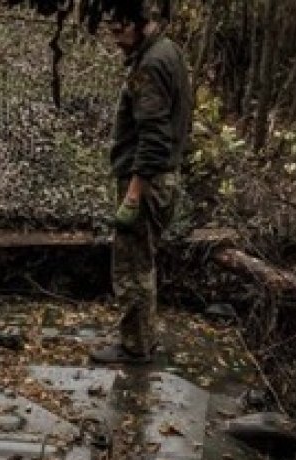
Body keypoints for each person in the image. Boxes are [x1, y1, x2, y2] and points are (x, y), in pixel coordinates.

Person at [89, 1, 193, 365]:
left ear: (138, 23)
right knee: (143, 263)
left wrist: (132, 195)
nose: (115, 38)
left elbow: (153, 137)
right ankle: (142, 339)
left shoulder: (148, 67)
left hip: (147, 180)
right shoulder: (169, 51)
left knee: (132, 268)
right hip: (163, 177)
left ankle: (135, 347)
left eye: (119, 29)